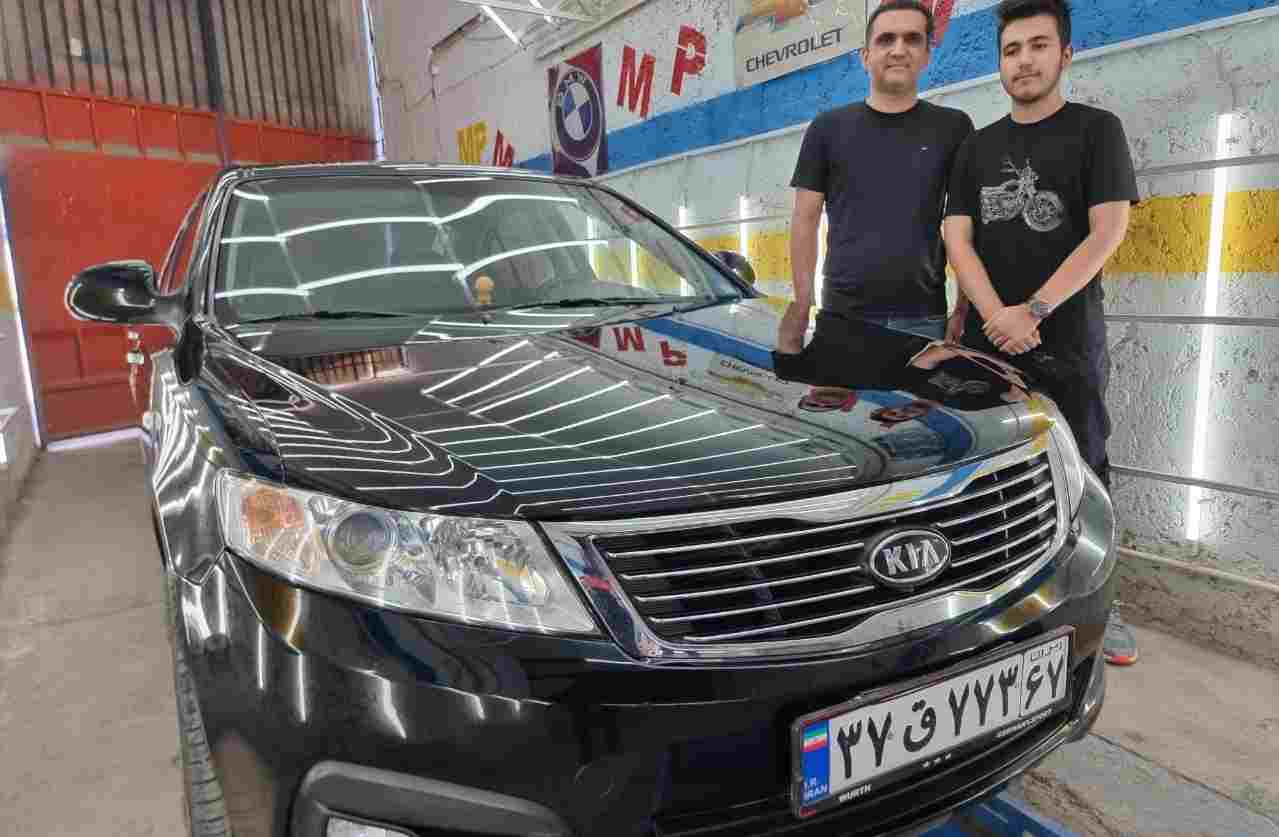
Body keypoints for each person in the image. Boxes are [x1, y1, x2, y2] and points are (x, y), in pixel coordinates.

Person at [941, 0, 1140, 664]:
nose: (1023, 60)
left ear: (1065, 54)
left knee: (1085, 470)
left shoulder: (1096, 131)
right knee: (986, 476)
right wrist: (994, 315)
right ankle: (987, 614)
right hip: (987, 345)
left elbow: (1107, 231)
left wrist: (1032, 310)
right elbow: (957, 239)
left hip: (1068, 339)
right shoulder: (976, 148)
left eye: (1037, 46)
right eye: (1011, 50)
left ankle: (1101, 608)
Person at [778, 0, 975, 350]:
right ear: (865, 56)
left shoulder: (954, 128)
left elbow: (965, 223)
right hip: (842, 317)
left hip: (924, 319)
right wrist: (803, 302)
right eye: (886, 39)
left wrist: (962, 308)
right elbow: (805, 220)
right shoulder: (827, 129)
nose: (898, 50)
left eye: (912, 39)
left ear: (927, 55)